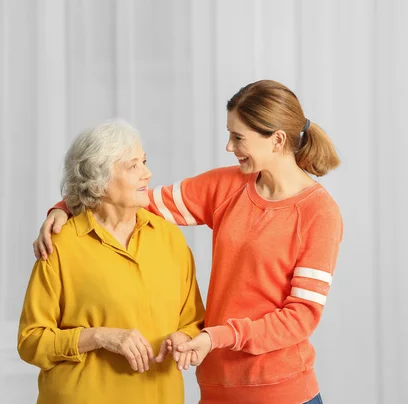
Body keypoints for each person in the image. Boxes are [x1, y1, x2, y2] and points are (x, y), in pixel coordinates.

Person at [33, 80, 343, 404]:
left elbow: (301, 317)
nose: (229, 146)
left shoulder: (318, 213)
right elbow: (132, 198)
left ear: (277, 140)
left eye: (238, 138)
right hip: (217, 388)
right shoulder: (227, 186)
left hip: (283, 393)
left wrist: (217, 337)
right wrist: (64, 208)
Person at [18, 120, 205, 404]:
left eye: (144, 161)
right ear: (99, 181)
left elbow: (192, 321)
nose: (148, 173)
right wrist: (99, 337)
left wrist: (183, 339)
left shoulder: (170, 238)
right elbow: (31, 341)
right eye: (133, 166)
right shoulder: (60, 244)